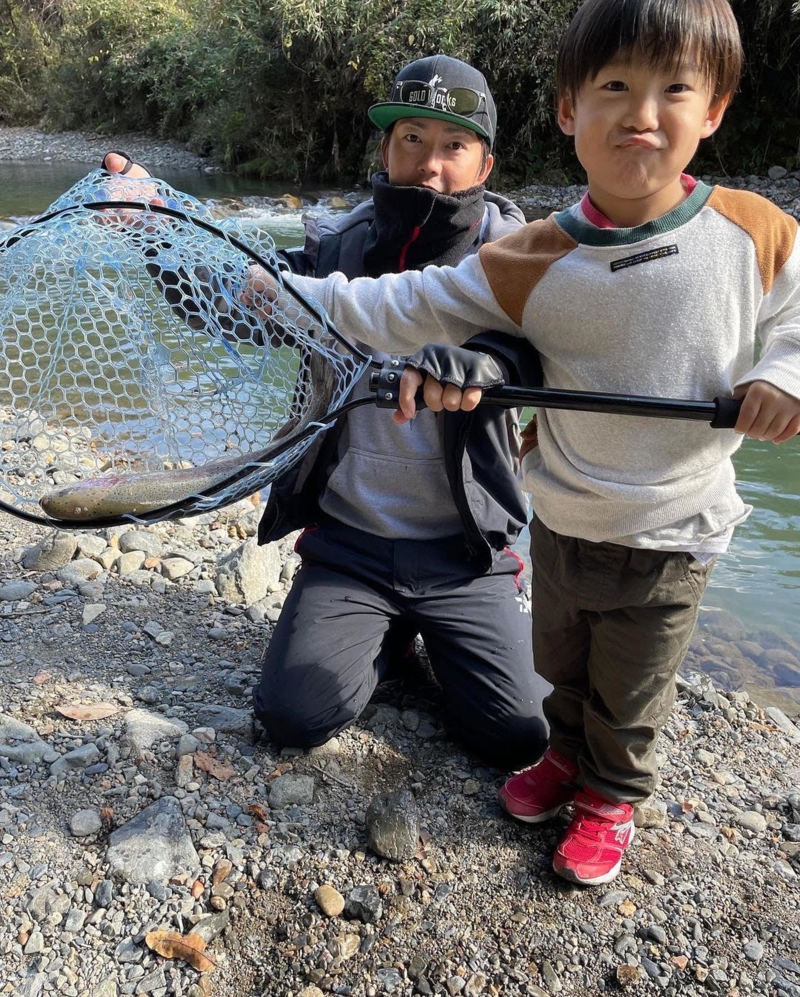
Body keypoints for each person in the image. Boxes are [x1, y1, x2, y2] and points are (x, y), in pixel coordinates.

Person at [282, 0, 800, 886]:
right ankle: (564, 757)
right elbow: (389, 304)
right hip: (550, 519)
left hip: (668, 529)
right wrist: (238, 271)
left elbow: (794, 318)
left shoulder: (752, 229)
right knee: (559, 665)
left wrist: (783, 377)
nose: (642, 113)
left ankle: (610, 797)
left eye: (674, 89)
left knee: (628, 689)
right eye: (614, 88)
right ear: (570, 110)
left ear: (714, 111)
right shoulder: (516, 252)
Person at [102, 54, 551, 771]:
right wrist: (153, 229)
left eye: (452, 146)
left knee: (519, 734)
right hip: (352, 544)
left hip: (467, 553)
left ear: (484, 164)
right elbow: (231, 307)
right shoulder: (334, 250)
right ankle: (387, 634)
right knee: (290, 717)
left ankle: (439, 628)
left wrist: (487, 365)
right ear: (384, 149)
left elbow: (542, 354)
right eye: (411, 139)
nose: (429, 165)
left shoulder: (517, 265)